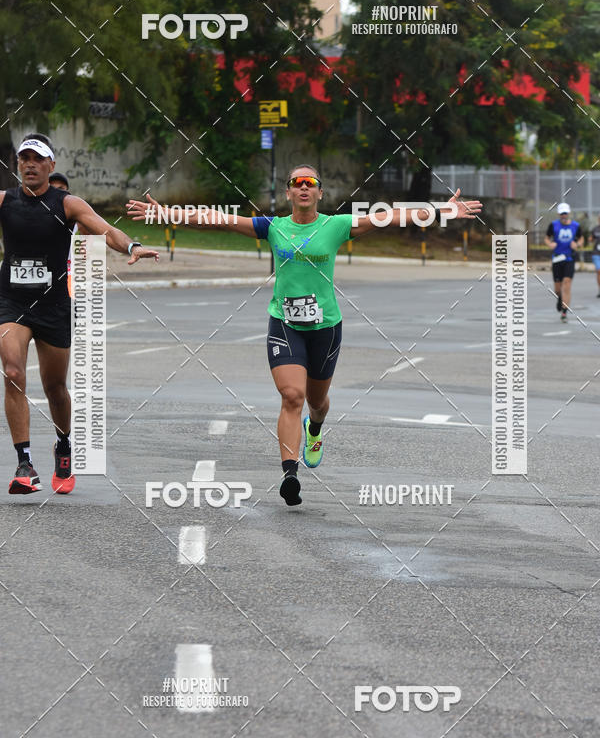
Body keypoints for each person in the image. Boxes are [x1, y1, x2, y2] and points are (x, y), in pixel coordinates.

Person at [126, 165, 482, 505]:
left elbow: (387, 216)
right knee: (292, 396)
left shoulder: (337, 225)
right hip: (284, 323)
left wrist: (440, 211)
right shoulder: (273, 227)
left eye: (310, 183)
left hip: (325, 327)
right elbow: (219, 219)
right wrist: (166, 213)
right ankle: (289, 473)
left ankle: (316, 429)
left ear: (320, 193)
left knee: (316, 401)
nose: (304, 188)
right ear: (288, 192)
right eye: (298, 183)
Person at [0, 133, 160, 495]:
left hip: (54, 306)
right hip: (12, 303)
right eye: (24, 158)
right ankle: (24, 463)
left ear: (51, 165)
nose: (29, 164)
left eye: (37, 159)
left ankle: (64, 444)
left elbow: (106, 231)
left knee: (55, 387)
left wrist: (131, 246)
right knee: (12, 371)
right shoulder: (5, 201)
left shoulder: (67, 204)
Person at [544, 202, 584, 322]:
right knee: (558, 288)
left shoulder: (576, 226)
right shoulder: (553, 225)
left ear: (569, 213)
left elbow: (582, 239)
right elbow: (546, 237)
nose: (564, 215)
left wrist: (577, 244)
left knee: (566, 284)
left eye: (565, 213)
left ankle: (564, 313)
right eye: (562, 214)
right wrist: (550, 244)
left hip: (569, 258)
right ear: (558, 214)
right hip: (557, 259)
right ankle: (559, 298)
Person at [589, 215, 600, 297]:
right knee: (599, 271)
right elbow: (591, 239)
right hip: (596, 253)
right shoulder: (595, 229)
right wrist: (590, 239)